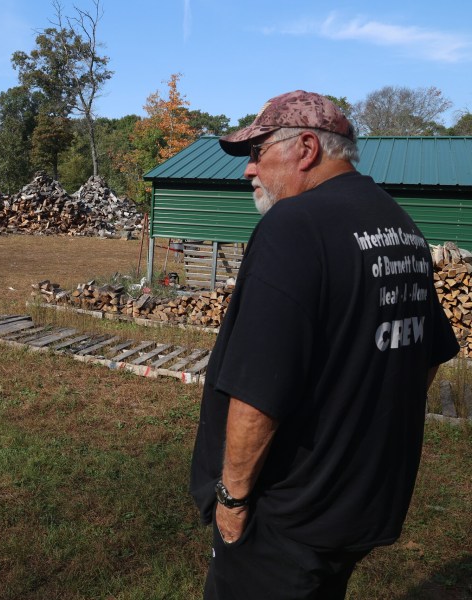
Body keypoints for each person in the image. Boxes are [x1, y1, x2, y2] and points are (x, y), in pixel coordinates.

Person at [189, 90, 460, 599]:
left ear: (306, 148)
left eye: (257, 152)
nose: (250, 171)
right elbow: (426, 357)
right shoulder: (401, 226)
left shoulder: (292, 225)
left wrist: (232, 498)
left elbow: (257, 389)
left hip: (286, 513)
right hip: (357, 502)